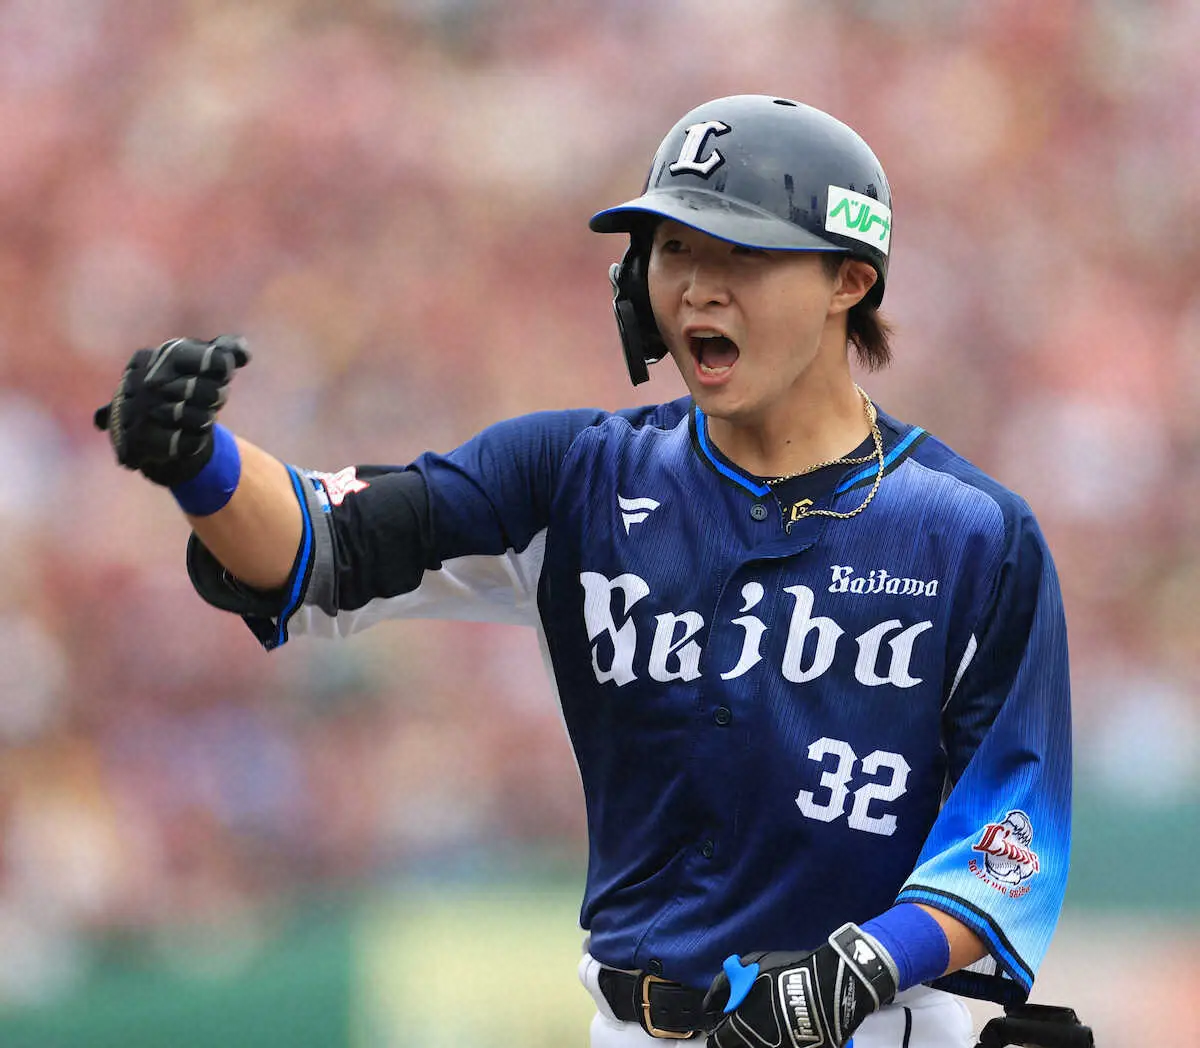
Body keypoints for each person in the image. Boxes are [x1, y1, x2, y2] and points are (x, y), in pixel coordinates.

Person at [94, 95, 1073, 1048]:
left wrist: (867, 961)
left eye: (742, 252)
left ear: (849, 281)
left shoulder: (968, 530)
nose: (698, 288)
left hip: (867, 1029)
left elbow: (1013, 831)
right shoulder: (575, 475)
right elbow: (322, 549)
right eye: (675, 248)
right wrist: (198, 463)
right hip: (628, 1025)